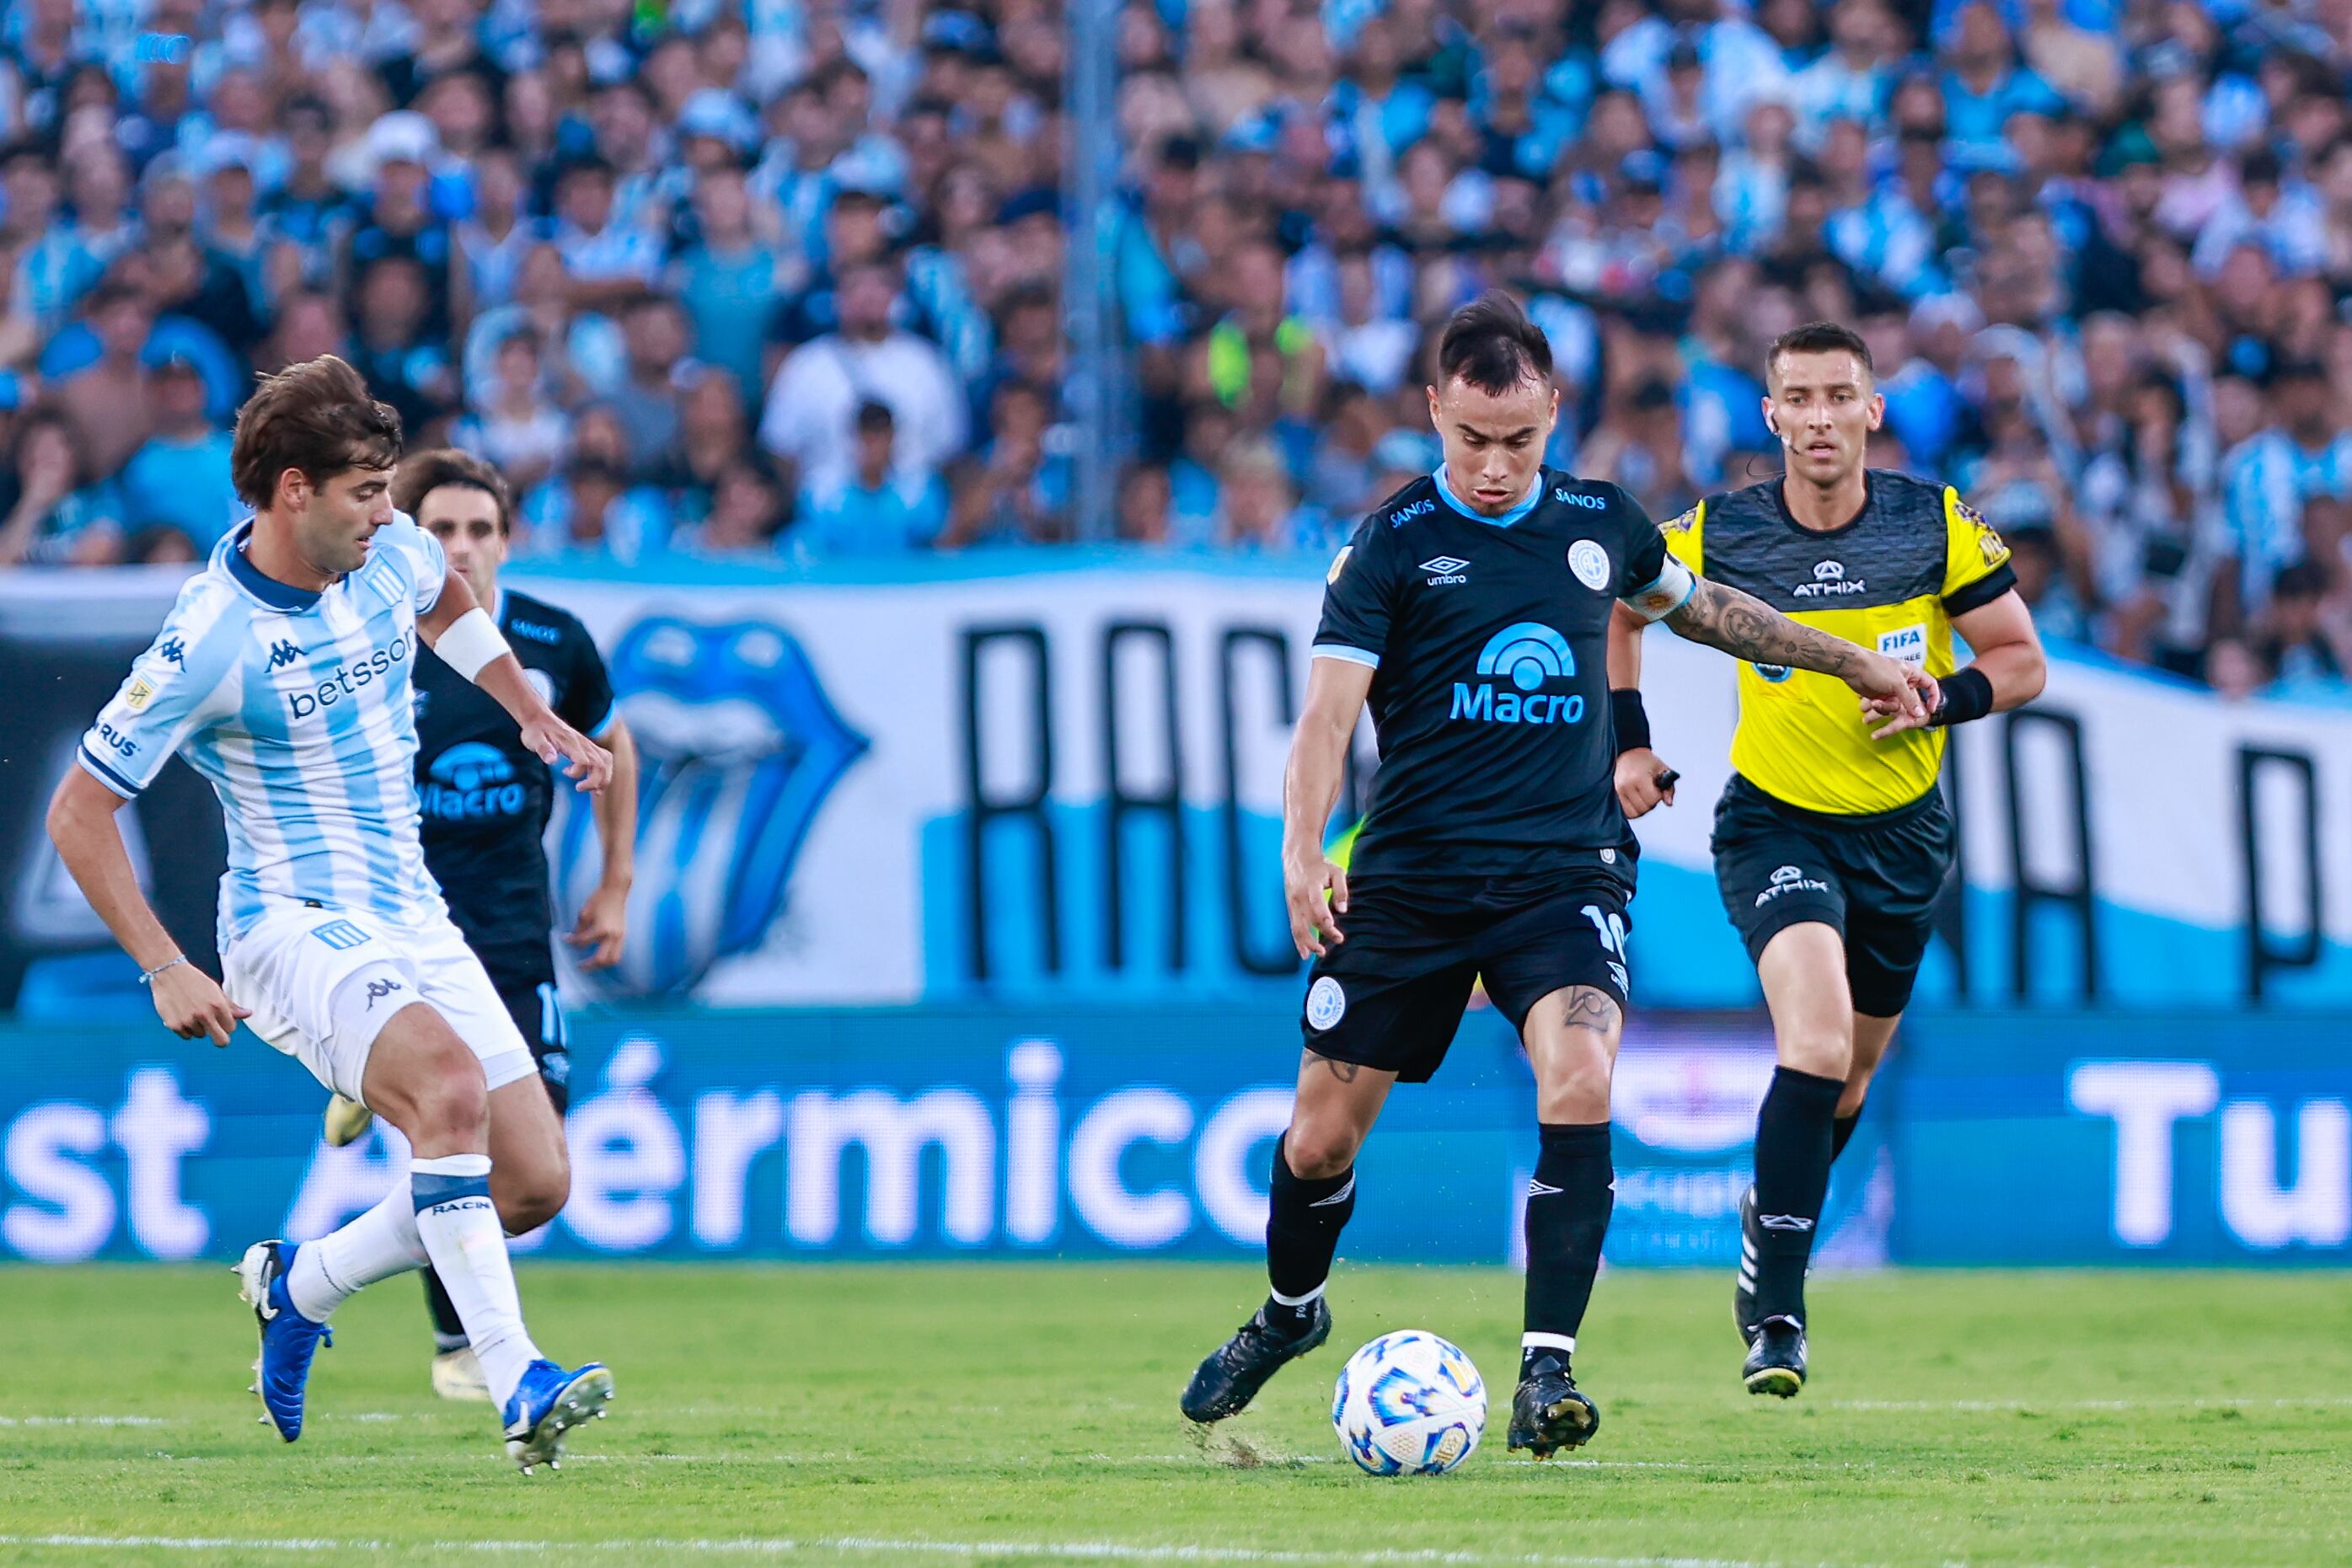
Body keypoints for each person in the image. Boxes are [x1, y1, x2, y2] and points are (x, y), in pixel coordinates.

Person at [1178, 293, 1932, 1458]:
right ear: (1433, 411)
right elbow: (1324, 722)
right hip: (1411, 880)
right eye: (1468, 440)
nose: (1490, 467)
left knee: (1578, 1077)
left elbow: (1711, 613)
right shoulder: (1385, 545)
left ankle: (1545, 1372)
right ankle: (1288, 1312)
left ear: (1550, 415)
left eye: (1515, 442)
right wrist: (1297, 850)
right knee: (1318, 1141)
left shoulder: (1598, 524)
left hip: (1560, 874)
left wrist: (1843, 661)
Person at [43, 356, 617, 1473]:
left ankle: (299, 1286)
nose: (390, 515)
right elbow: (78, 811)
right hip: (288, 922)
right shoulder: (210, 638)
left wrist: (531, 716)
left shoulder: (387, 551)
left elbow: (445, 603)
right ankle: (520, 1382)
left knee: (533, 1180)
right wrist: (162, 963)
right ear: (291, 490)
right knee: (447, 1092)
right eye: (365, 492)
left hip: (411, 907)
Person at [1607, 320, 2048, 1397]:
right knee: (1810, 1042)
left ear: (1870, 412)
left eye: (1835, 396)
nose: (1816, 417)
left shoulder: (1933, 523)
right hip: (1776, 826)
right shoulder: (1719, 532)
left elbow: (2022, 661)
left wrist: (1948, 696)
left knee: (1849, 1078)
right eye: (1795, 398)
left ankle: (1772, 1219)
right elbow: (1618, 609)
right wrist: (1628, 740)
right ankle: (1780, 1310)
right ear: (1770, 416)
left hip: (1904, 840)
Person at [319, 447, 640, 1404]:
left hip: (509, 928)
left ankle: (316, 1269)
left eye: (480, 530)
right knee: (458, 1136)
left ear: (508, 538)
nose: (461, 548)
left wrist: (616, 879)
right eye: (444, 530)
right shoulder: (371, 638)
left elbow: (612, 737)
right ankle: (462, 1341)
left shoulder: (551, 638)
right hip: (399, 925)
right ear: (410, 536)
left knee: (532, 1171)